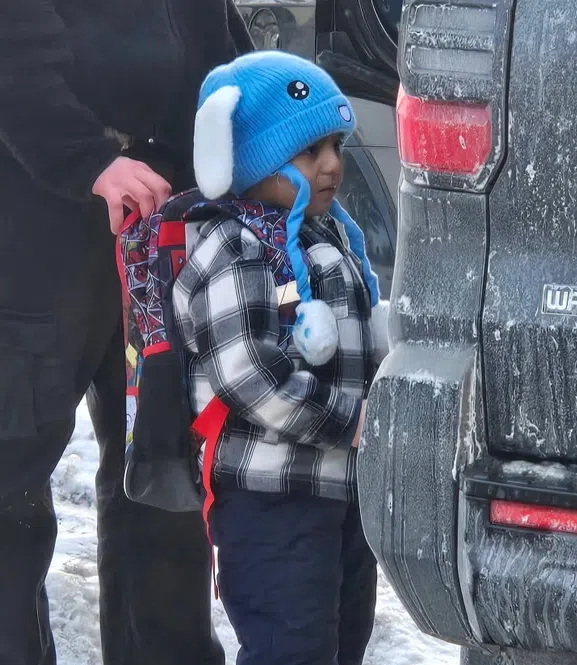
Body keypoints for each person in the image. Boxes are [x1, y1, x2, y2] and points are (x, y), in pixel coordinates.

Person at [0, 3, 252, 665]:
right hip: (34, 231)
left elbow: (220, 46)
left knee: (163, 474)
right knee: (10, 481)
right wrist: (88, 159)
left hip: (164, 224)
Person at [173, 51, 390, 665]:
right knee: (288, 648)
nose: (331, 165)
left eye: (336, 146)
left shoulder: (327, 235)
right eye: (308, 150)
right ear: (252, 157)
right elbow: (248, 374)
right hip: (270, 502)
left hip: (339, 495)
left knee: (342, 643)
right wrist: (352, 424)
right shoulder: (234, 245)